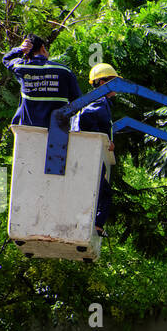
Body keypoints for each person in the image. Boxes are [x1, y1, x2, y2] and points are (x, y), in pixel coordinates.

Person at [0, 34, 82, 129]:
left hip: (27, 131)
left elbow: (6, 60)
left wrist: (20, 49)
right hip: (57, 132)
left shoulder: (22, 68)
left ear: (27, 53)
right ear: (43, 48)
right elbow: (77, 102)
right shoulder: (64, 70)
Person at [72, 62, 117, 236]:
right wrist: (104, 139)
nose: (116, 87)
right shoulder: (99, 101)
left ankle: (95, 225)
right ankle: (96, 225)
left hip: (91, 154)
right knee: (103, 194)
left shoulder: (99, 102)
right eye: (112, 81)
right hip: (91, 155)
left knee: (100, 193)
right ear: (101, 82)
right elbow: (86, 120)